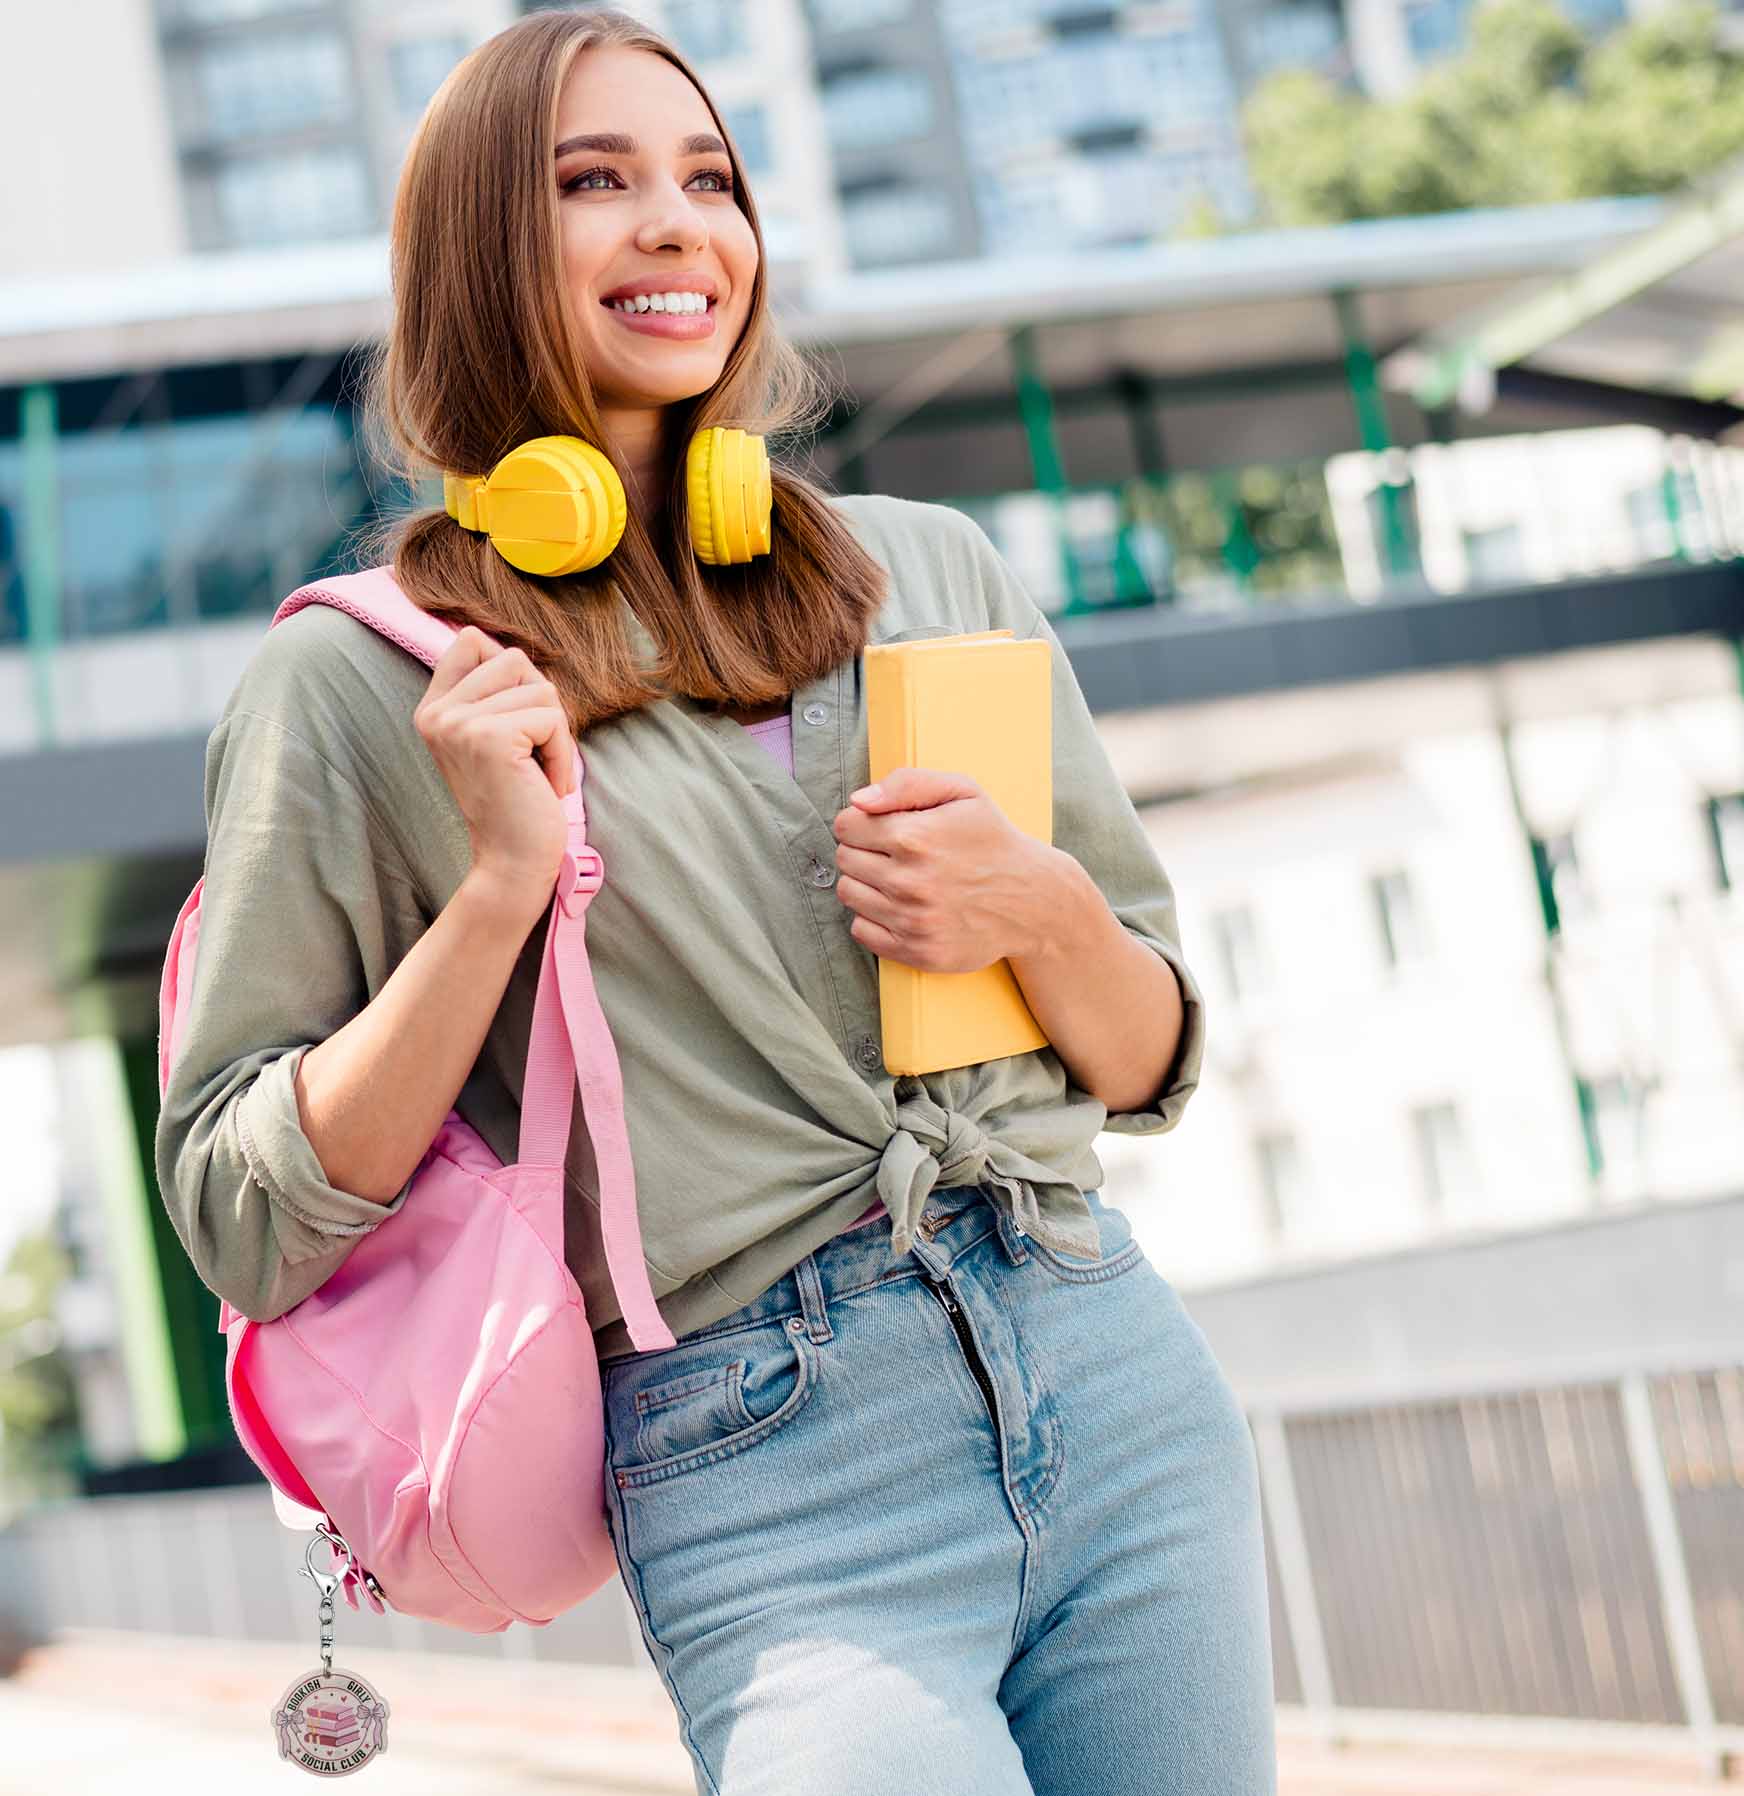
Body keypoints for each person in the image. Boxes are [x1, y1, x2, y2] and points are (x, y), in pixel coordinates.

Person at [154, 9, 1276, 1793]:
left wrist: (1044, 911)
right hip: (768, 1449)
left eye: (711, 180)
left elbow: (1148, 1065)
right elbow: (237, 1216)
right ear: (477, 259)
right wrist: (495, 893)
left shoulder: (933, 572)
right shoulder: (367, 684)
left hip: (1108, 1359)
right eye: (593, 182)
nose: (678, 224)